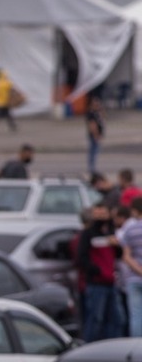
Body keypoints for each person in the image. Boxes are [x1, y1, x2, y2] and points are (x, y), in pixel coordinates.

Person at [79, 203, 125, 342]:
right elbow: (81, 257)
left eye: (103, 214)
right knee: (95, 319)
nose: (101, 217)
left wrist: (116, 245)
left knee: (117, 319)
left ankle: (113, 347)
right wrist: (97, 271)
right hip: (96, 283)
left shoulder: (110, 232)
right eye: (97, 214)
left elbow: (118, 254)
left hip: (111, 283)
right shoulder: (88, 234)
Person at [117, 196, 142, 337]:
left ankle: (137, 346)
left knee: (136, 316)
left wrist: (138, 270)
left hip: (134, 278)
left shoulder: (130, 229)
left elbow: (126, 256)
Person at [87, 96, 105, 176]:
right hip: (94, 135)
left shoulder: (96, 113)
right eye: (96, 104)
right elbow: (92, 125)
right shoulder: (91, 114)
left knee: (95, 151)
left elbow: (103, 117)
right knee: (93, 151)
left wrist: (100, 110)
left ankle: (92, 166)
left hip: (97, 134)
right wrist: (96, 135)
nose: (97, 105)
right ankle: (92, 167)